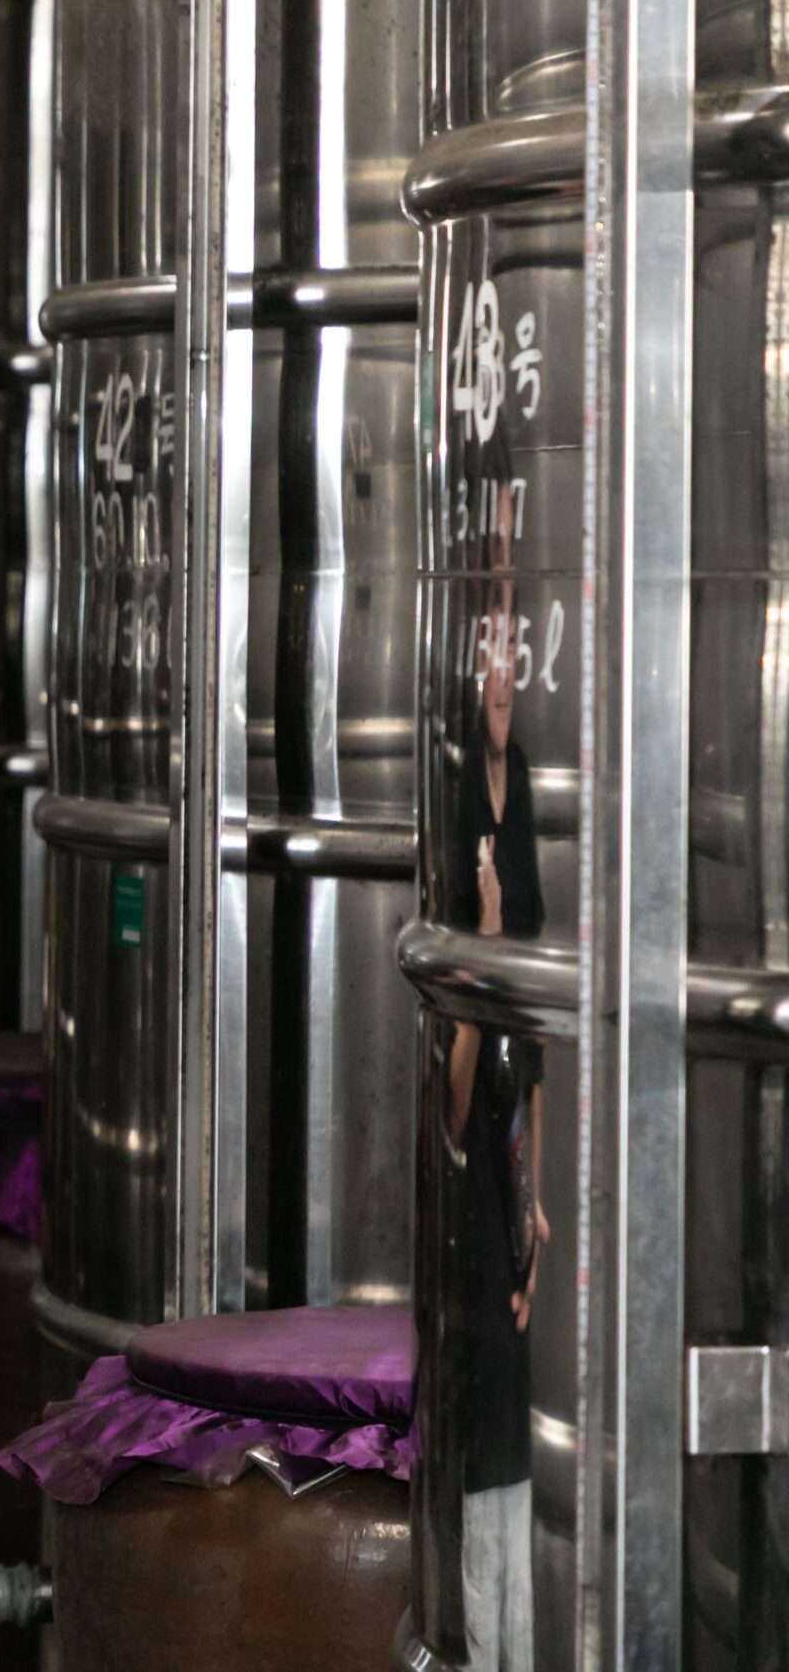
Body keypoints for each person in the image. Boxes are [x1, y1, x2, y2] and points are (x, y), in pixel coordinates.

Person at [440, 570, 546, 1672]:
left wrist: (538, 1197)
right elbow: (457, 1097)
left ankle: (519, 1640)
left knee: (516, 1405)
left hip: (509, 1152)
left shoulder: (530, 808)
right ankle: (482, 1642)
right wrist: (479, 934)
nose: (502, 680)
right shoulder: (456, 807)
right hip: (470, 1175)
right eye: (488, 658)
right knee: (482, 1411)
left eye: (514, 657)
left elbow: (535, 1067)